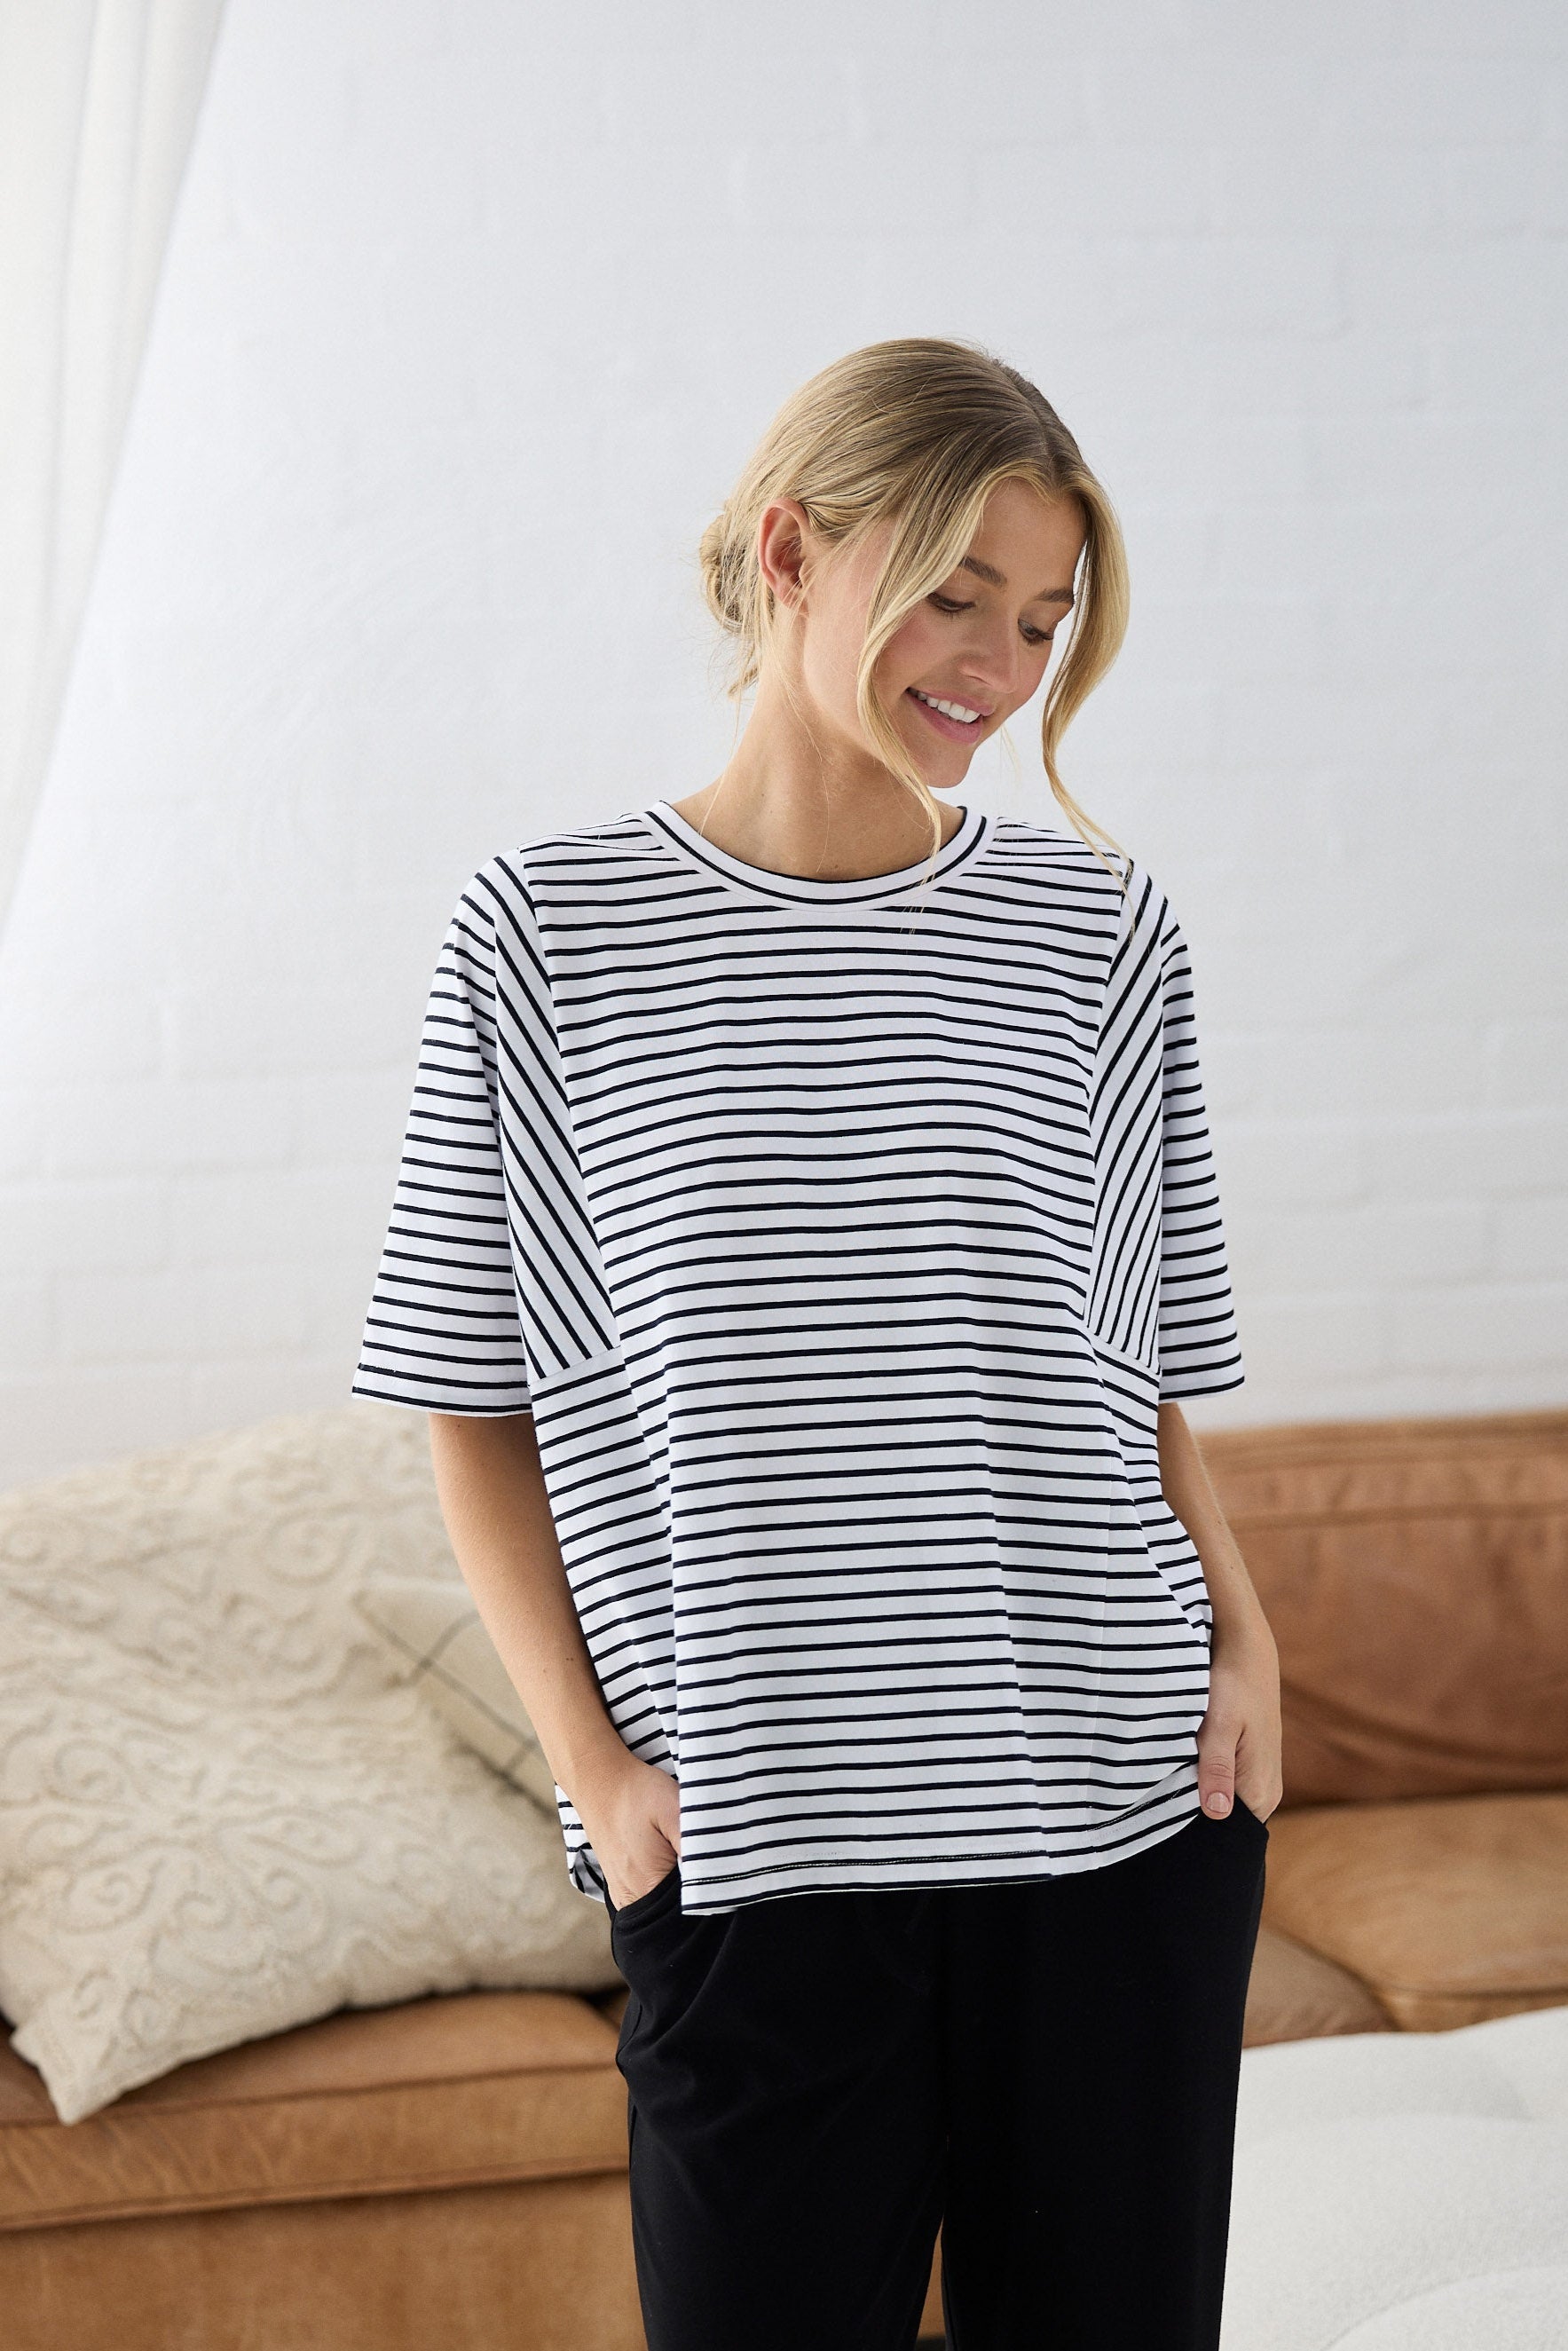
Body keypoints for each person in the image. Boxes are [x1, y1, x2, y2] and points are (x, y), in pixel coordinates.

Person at [351, 335, 1283, 2351]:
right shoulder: (543, 932)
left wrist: (1241, 1633)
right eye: (956, 593)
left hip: (1116, 1824)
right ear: (791, 550)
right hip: (758, 1856)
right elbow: (468, 1401)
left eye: (1040, 619)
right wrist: (600, 1777)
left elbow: (1142, 1372)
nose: (998, 662)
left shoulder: (1099, 938)